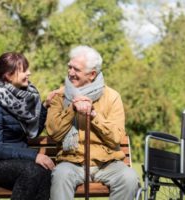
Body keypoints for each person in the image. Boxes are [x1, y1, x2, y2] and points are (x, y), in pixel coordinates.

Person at [46, 45, 139, 200]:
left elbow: (116, 137)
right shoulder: (58, 96)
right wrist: (72, 109)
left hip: (107, 163)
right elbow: (54, 133)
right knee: (61, 175)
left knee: (129, 178)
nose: (70, 73)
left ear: (92, 74)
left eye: (76, 69)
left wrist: (93, 115)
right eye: (69, 67)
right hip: (72, 162)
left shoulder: (112, 96)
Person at [0, 52, 56, 200]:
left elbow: (32, 132)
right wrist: (34, 156)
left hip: (15, 162)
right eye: (23, 70)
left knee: (44, 173)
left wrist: (44, 106)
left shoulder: (23, 102)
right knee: (32, 171)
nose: (29, 73)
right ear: (9, 76)